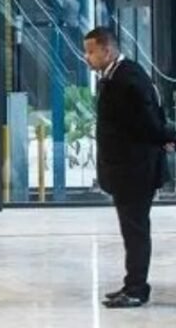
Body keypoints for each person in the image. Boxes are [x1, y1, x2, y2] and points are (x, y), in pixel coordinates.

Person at [84, 27, 173, 308]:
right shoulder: (113, 77)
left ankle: (136, 289)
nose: (87, 57)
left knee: (135, 231)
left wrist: (167, 137)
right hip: (125, 171)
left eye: (91, 51)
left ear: (107, 50)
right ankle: (131, 283)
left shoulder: (128, 78)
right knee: (131, 230)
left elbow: (149, 123)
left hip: (135, 172)